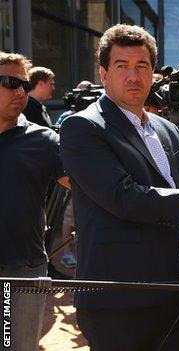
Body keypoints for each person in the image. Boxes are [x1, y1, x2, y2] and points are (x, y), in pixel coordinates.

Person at [59, 24, 179, 351]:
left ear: (154, 73)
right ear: (103, 73)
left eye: (142, 67)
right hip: (119, 297)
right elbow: (123, 196)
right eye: (122, 66)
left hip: (178, 289)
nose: (133, 77)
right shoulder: (83, 127)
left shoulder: (166, 128)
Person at [0, 51, 69, 351]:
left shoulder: (44, 141)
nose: (20, 91)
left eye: (25, 86)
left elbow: (85, 189)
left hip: (21, 270)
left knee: (16, 347)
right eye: (9, 82)